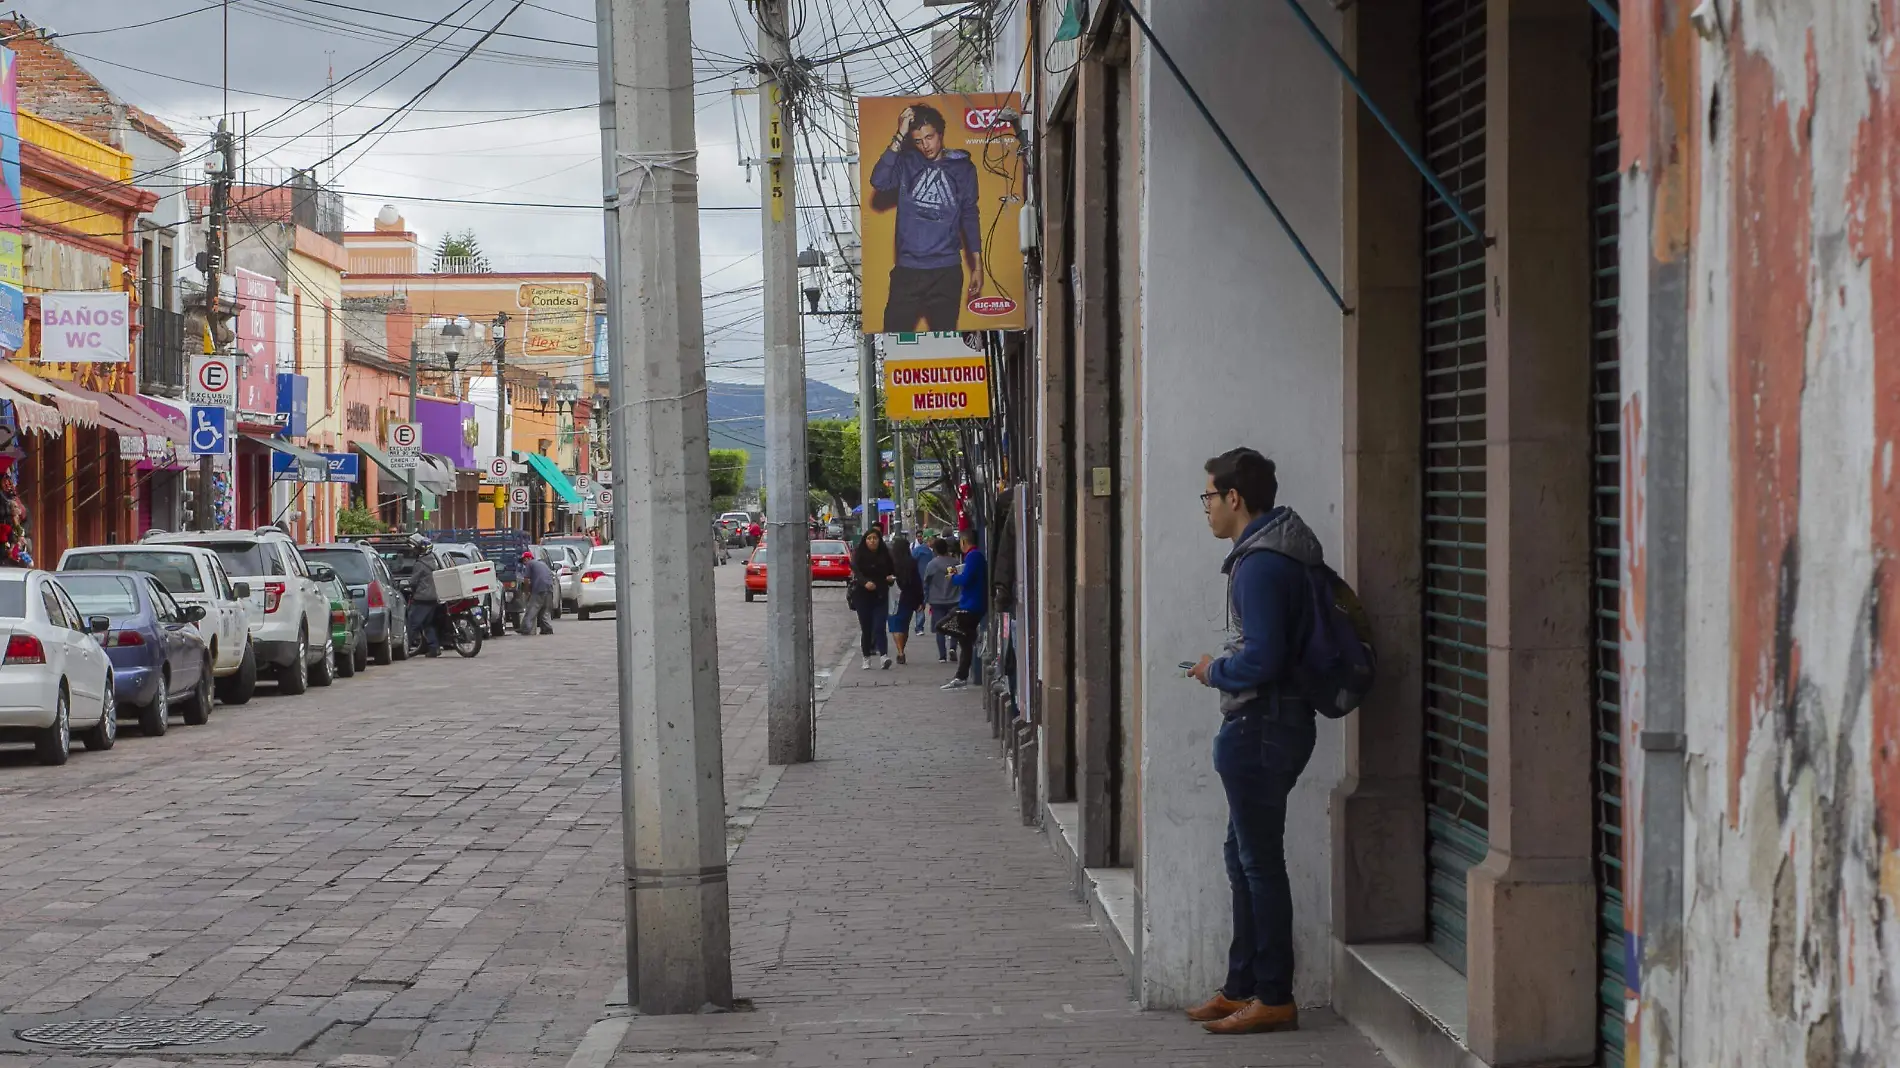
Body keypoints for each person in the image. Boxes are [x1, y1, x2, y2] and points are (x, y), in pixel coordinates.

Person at [1182, 447, 1321, 1036]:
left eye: (1209, 498)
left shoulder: (1263, 564)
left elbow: (1263, 656)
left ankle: (1272, 994)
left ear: (1234, 498)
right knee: (1242, 860)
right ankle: (1242, 985)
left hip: (1262, 726)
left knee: (1258, 865)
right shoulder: (1272, 555)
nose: (1206, 510)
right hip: (1270, 724)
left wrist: (1214, 671)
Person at [869, 103, 983, 333]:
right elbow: (879, 181)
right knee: (895, 343)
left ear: (941, 134)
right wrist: (900, 134)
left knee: (944, 349)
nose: (926, 145)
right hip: (908, 271)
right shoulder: (906, 163)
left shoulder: (963, 169)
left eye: (930, 137)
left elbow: (970, 216)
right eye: (919, 140)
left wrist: (977, 266)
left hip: (946, 271)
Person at [940, 530, 986, 690]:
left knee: (942, 625)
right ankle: (961, 676)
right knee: (965, 645)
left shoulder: (973, 556)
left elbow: (966, 579)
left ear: (964, 542)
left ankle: (972, 637)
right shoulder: (975, 557)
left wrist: (953, 577)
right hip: (971, 603)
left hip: (970, 605)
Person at [849, 530, 896, 670]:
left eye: (875, 538)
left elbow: (892, 572)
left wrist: (890, 579)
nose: (872, 541)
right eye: (869, 538)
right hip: (862, 596)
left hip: (880, 595)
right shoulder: (859, 555)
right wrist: (865, 583)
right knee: (866, 628)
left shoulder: (885, 554)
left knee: (880, 626)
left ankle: (884, 656)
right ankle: (866, 657)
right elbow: (856, 572)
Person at [886, 535, 925, 665]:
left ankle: (900, 651)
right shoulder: (912, 562)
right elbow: (917, 582)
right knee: (904, 626)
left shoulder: (890, 563)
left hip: (893, 598)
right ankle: (901, 649)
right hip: (909, 598)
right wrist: (920, 600)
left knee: (895, 625)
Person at [923, 538, 960, 663]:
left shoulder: (931, 564)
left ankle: (942, 656)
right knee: (954, 625)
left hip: (937, 600)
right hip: (954, 598)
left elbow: (926, 582)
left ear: (935, 550)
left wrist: (926, 598)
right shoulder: (955, 562)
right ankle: (953, 648)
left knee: (940, 627)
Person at [406, 552, 443, 657]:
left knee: (413, 624)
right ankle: (434, 648)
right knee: (428, 624)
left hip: (421, 597)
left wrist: (408, 586)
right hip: (433, 597)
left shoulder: (420, 564)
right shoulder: (433, 562)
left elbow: (413, 581)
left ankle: (405, 647)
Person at [518, 550, 557, 636]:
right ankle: (547, 629)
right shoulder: (542, 564)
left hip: (539, 588)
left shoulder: (530, 564)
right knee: (544, 610)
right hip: (549, 588)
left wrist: (527, 592)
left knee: (531, 609)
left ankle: (525, 629)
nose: (524, 563)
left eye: (524, 560)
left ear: (528, 558)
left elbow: (526, 580)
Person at [910, 534, 934, 633]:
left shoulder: (921, 550)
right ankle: (920, 626)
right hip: (925, 580)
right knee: (923, 603)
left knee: (923, 603)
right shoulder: (923, 550)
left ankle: (920, 627)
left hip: (924, 580)